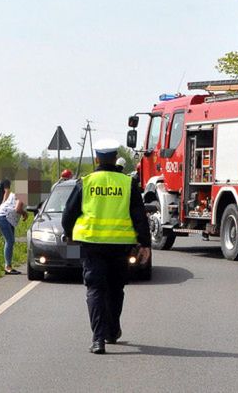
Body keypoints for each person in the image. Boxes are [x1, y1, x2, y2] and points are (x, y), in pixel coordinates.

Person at [62, 139, 151, 354]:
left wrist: (69, 235)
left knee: (95, 289)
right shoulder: (127, 183)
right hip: (120, 246)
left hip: (92, 245)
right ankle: (112, 330)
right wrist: (145, 244)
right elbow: (139, 216)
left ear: (96, 159)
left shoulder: (86, 182)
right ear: (115, 158)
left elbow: (68, 214)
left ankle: (98, 339)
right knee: (115, 288)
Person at [0, 178, 29, 274]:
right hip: (3, 217)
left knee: (9, 241)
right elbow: (17, 209)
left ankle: (8, 265)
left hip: (6, 217)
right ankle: (7, 267)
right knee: (10, 240)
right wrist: (25, 214)